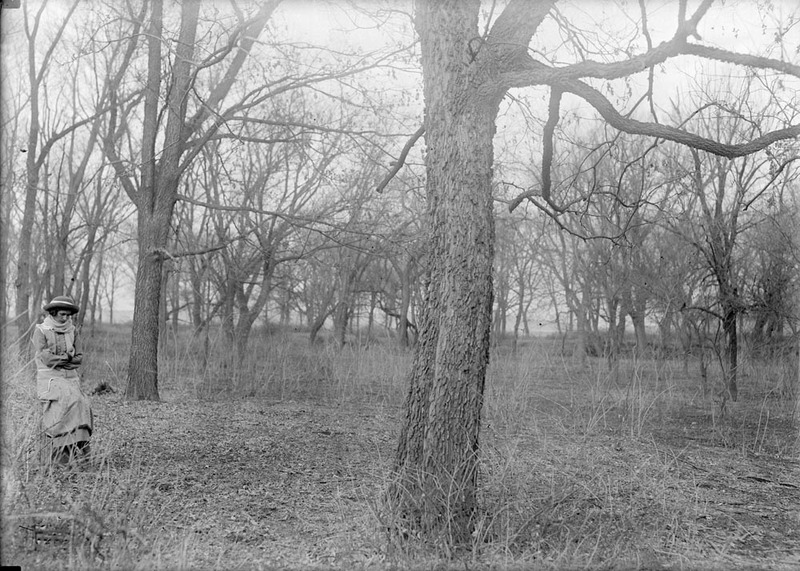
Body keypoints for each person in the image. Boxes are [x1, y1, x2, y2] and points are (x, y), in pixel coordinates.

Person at [32, 295, 93, 465]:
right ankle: (61, 457)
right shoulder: (42, 330)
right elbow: (47, 359)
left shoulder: (73, 330)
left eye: (68, 315)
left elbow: (78, 358)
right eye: (62, 314)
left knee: (83, 405)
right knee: (68, 402)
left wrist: (64, 359)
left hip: (71, 377)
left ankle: (80, 451)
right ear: (53, 313)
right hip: (50, 379)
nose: (66, 318)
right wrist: (67, 357)